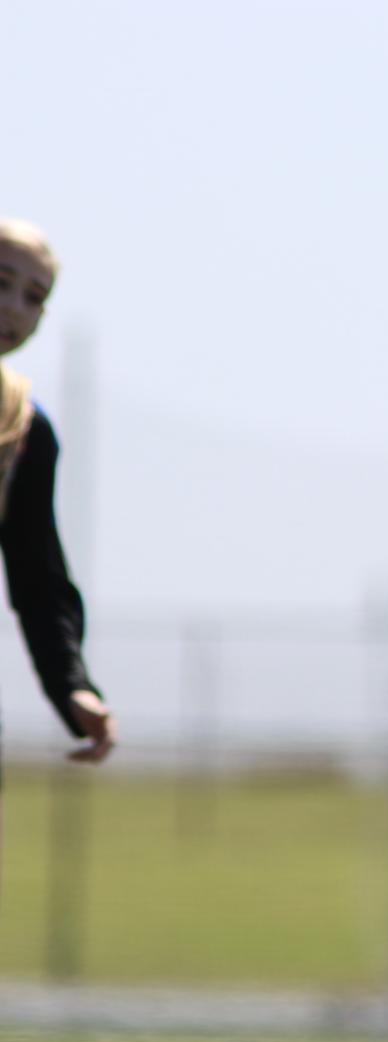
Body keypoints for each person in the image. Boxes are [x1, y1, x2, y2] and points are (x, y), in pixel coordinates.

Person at [0, 219, 116, 818]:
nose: (13, 307)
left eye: (34, 297)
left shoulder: (22, 432)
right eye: (3, 282)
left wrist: (73, 685)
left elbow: (38, 578)